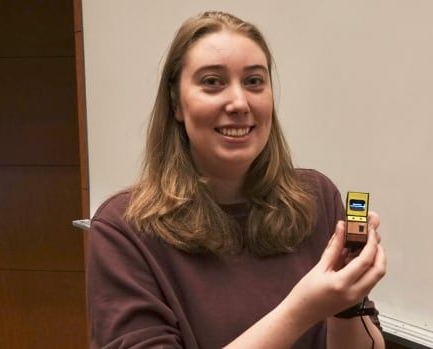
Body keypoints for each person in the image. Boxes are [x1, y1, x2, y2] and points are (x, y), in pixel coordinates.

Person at [86, 11, 387, 349]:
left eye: (254, 82)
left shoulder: (317, 199)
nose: (240, 103)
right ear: (176, 104)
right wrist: (299, 311)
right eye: (212, 82)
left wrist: (347, 304)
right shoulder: (124, 229)